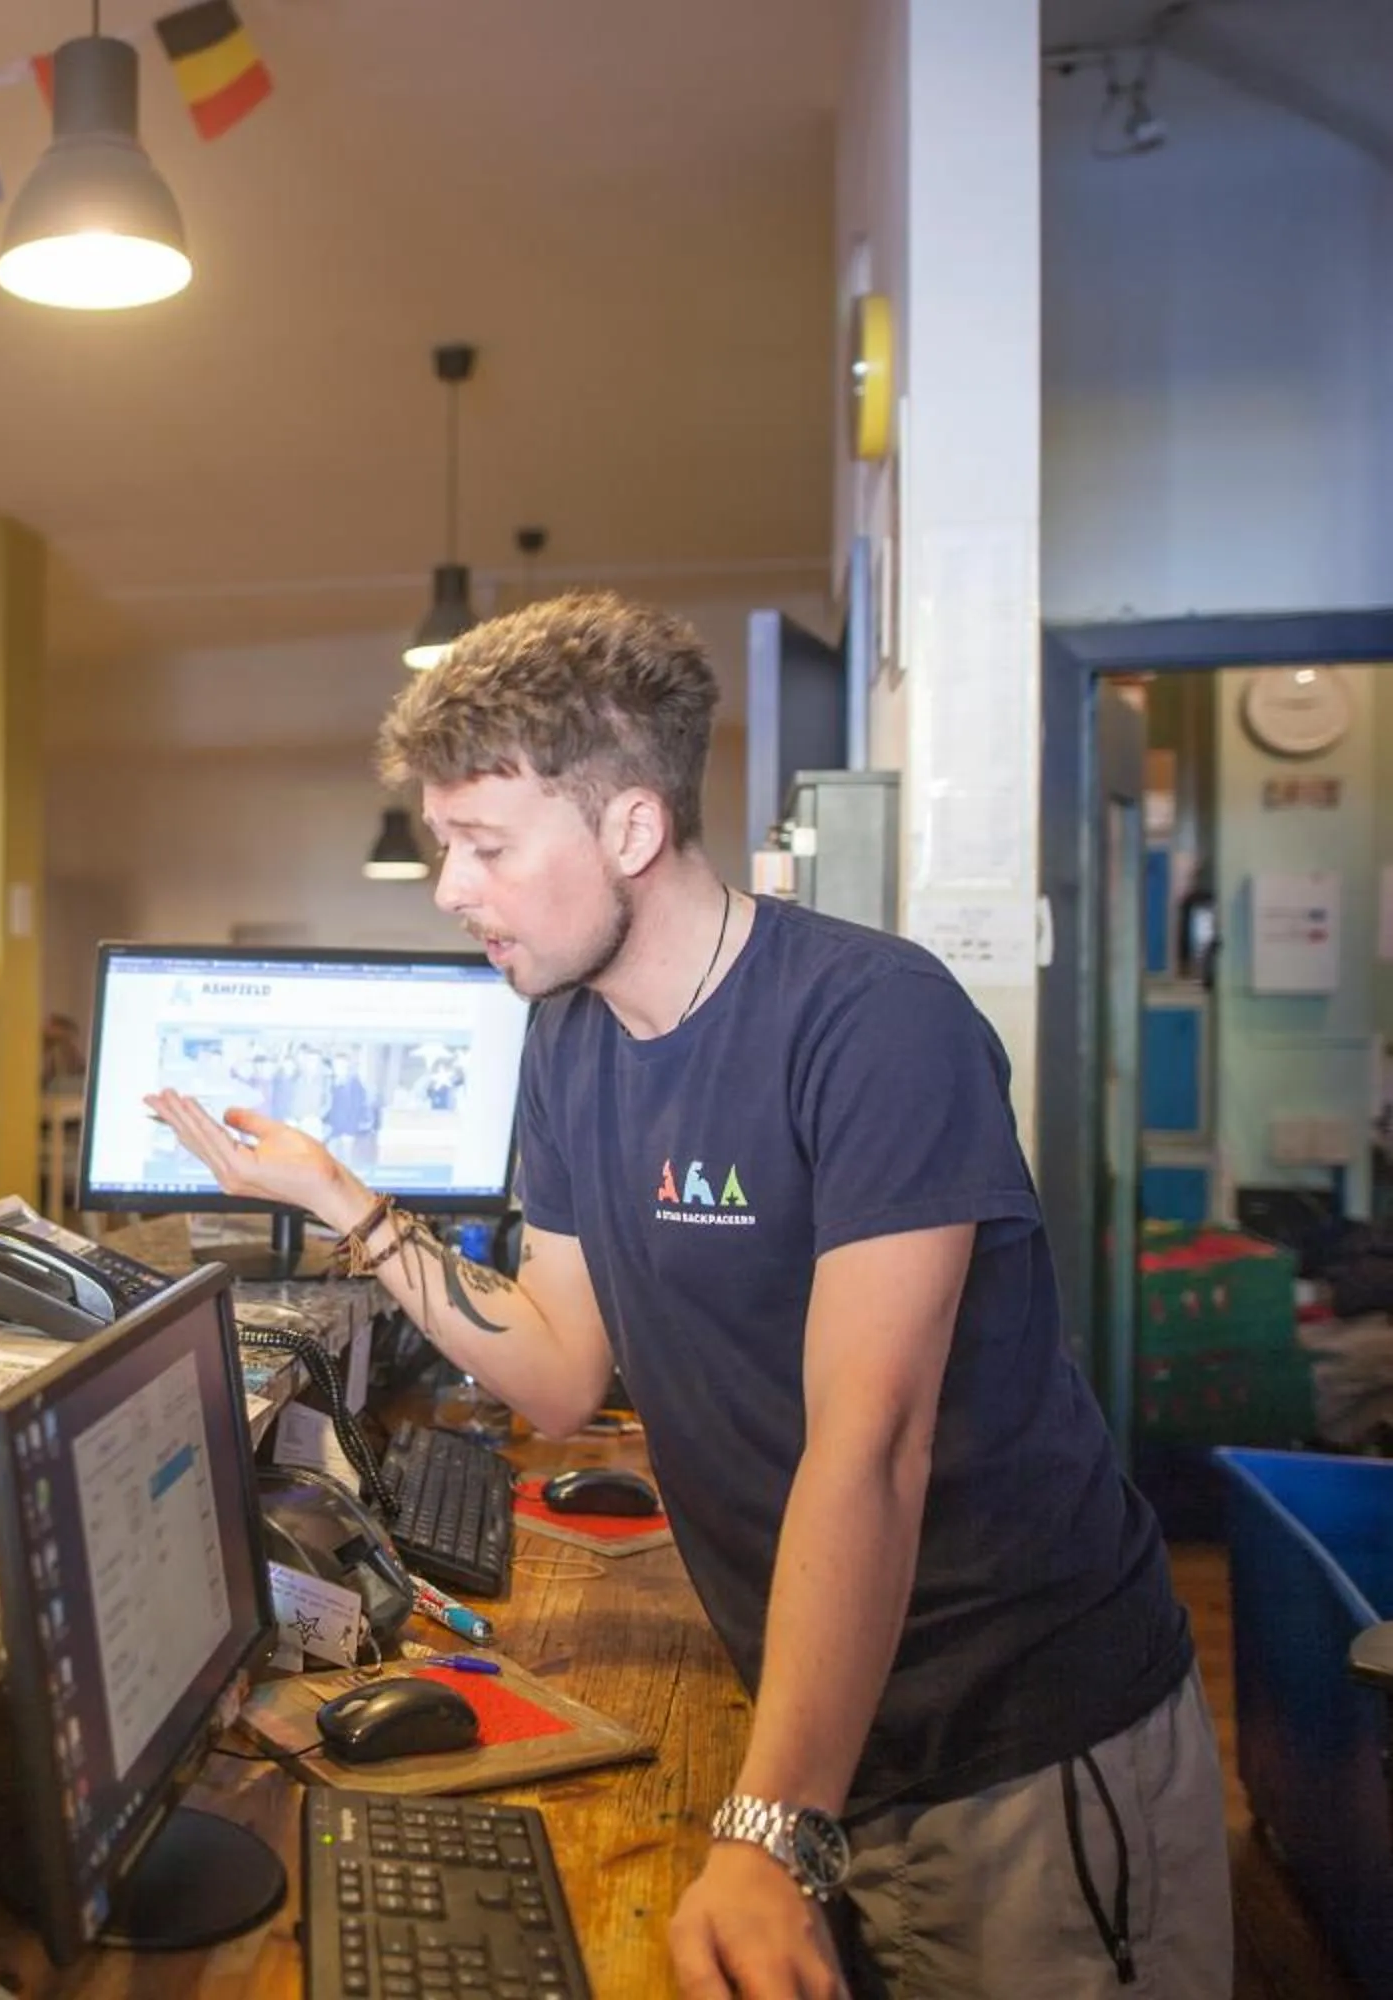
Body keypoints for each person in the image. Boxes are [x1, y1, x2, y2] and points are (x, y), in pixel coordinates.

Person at [148, 592, 1225, 2000]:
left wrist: (772, 1831)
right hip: (823, 1724)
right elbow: (553, 1369)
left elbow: (875, 1446)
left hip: (1016, 1738)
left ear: (632, 831)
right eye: (441, 847)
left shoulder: (873, 1024)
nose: (452, 887)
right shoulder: (573, 1042)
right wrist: (345, 1205)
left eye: (482, 846)